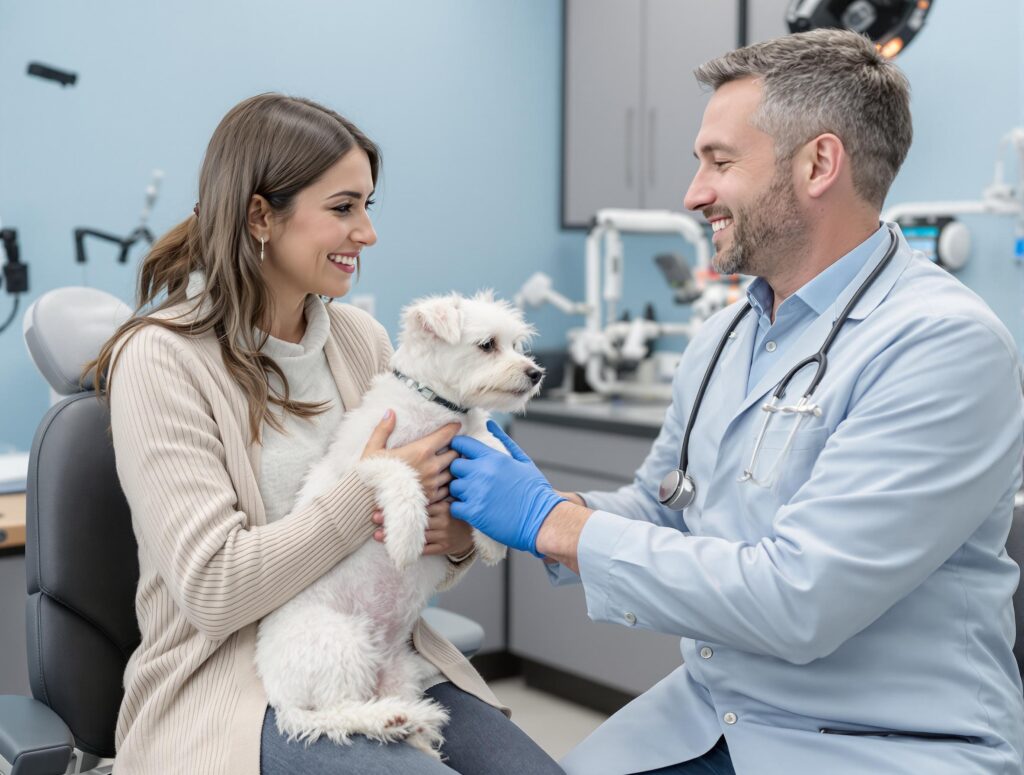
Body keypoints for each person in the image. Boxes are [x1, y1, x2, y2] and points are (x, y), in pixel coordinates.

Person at [448, 29, 1024, 775]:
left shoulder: (941, 346)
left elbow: (799, 599)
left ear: (819, 163)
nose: (694, 193)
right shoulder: (726, 334)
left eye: (720, 162)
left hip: (882, 743)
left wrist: (551, 525)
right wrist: (531, 510)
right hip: (711, 712)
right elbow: (664, 508)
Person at [90, 93, 561, 775]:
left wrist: (460, 536)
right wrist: (366, 492)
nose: (366, 233)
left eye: (368, 206)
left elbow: (412, 544)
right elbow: (214, 589)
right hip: (227, 689)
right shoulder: (162, 359)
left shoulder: (359, 340)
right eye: (343, 208)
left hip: (382, 655)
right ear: (260, 215)